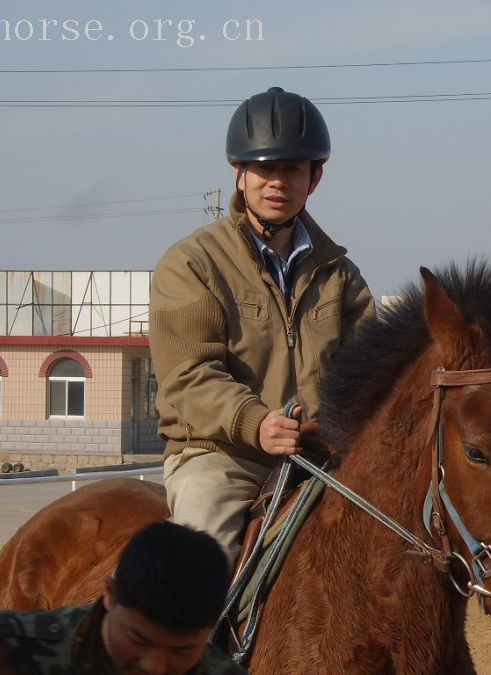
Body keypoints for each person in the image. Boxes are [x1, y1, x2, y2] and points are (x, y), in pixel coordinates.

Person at [149, 86, 375, 563]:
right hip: (222, 455)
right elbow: (186, 378)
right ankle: (193, 638)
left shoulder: (342, 276)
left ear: (314, 178)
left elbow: (369, 375)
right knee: (199, 562)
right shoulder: (192, 263)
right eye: (265, 169)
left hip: (320, 455)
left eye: (292, 169)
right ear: (240, 174)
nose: (278, 182)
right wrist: (258, 423)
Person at [0, 521, 246, 675]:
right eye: (138, 639)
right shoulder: (9, 649)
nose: (154, 666)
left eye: (182, 649)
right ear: (110, 595)